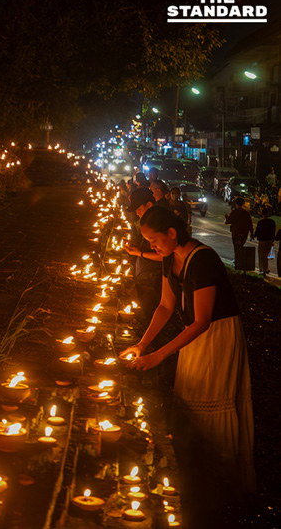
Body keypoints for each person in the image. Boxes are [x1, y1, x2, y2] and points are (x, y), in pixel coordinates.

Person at [121, 207, 255, 519]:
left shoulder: (203, 259)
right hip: (191, 334)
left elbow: (203, 320)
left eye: (155, 240)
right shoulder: (169, 258)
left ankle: (223, 483)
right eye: (148, 242)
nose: (151, 247)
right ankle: (196, 473)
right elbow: (165, 305)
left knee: (212, 399)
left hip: (217, 335)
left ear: (172, 233)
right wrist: (143, 344)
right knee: (190, 399)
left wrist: (159, 355)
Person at [122, 188, 163, 322]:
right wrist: (136, 248)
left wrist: (139, 253)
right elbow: (148, 249)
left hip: (154, 279)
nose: (137, 213)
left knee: (152, 315)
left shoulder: (158, 223)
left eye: (139, 209)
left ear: (149, 205)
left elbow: (164, 256)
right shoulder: (148, 222)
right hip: (145, 275)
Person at [253, 207, 276, 276]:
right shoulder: (272, 222)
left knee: (261, 256)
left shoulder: (260, 222)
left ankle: (262, 270)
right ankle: (266, 268)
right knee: (265, 255)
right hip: (269, 241)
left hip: (262, 241)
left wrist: (253, 236)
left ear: (262, 214)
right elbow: (273, 232)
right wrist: (272, 241)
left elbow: (257, 232)